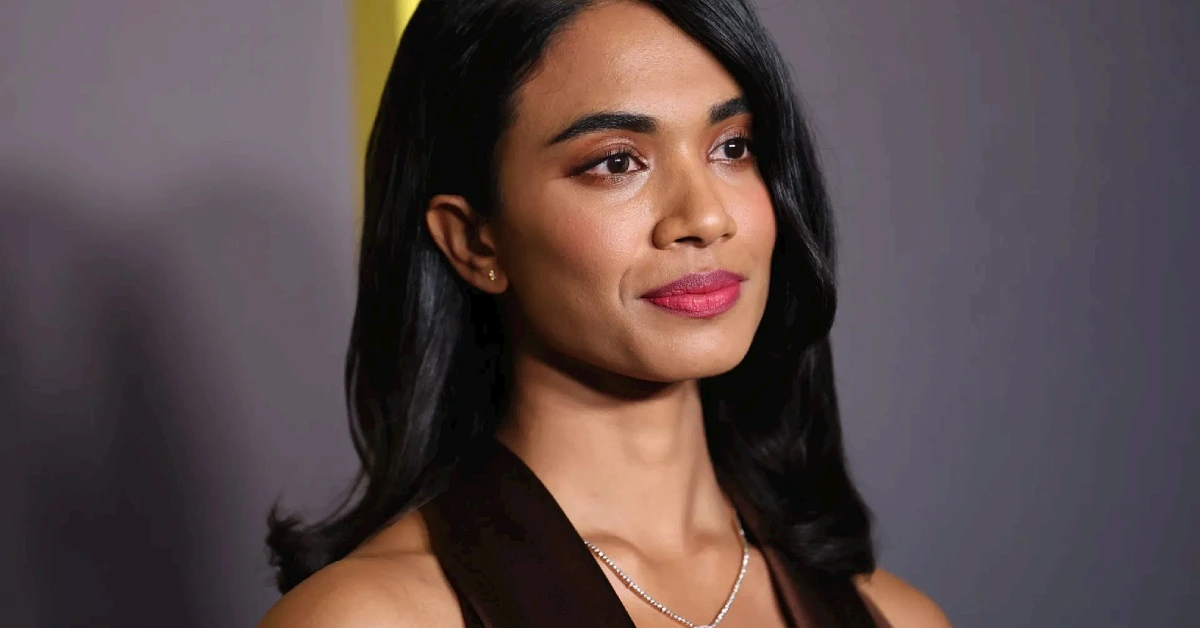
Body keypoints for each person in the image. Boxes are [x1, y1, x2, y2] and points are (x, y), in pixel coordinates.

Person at [261, 0, 950, 626]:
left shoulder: (897, 617)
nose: (705, 217)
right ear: (474, 241)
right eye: (618, 162)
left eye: (732, 148)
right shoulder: (368, 619)